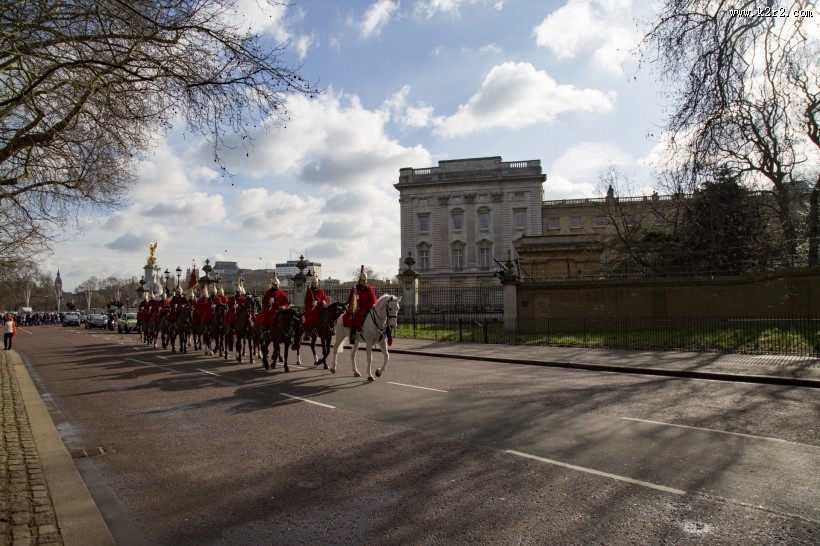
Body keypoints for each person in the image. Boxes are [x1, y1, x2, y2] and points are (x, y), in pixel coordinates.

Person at [344, 265, 377, 344]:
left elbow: (373, 299)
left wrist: (367, 304)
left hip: (367, 306)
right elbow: (351, 298)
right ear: (360, 280)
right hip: (358, 307)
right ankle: (352, 335)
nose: (363, 282)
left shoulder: (368, 288)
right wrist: (355, 300)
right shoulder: (355, 288)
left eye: (364, 281)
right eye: (362, 280)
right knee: (356, 316)